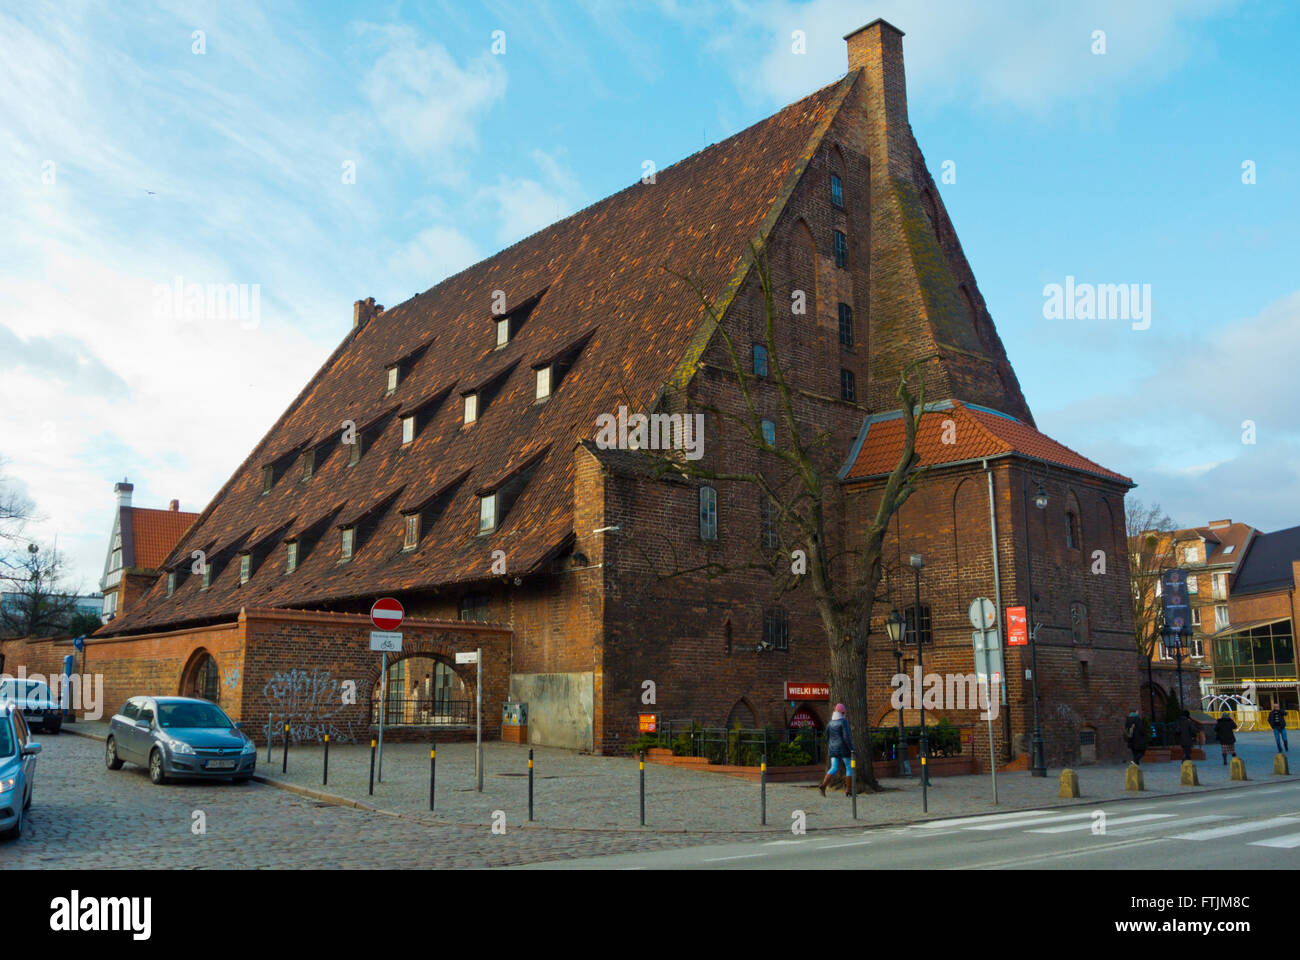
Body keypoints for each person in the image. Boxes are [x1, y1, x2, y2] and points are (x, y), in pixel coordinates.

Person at [818, 703, 855, 797]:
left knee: (834, 768)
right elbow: (846, 737)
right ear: (843, 712)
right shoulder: (843, 721)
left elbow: (826, 736)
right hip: (843, 749)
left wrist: (830, 745)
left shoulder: (830, 723)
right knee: (848, 767)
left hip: (833, 749)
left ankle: (824, 785)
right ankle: (848, 790)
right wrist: (851, 748)